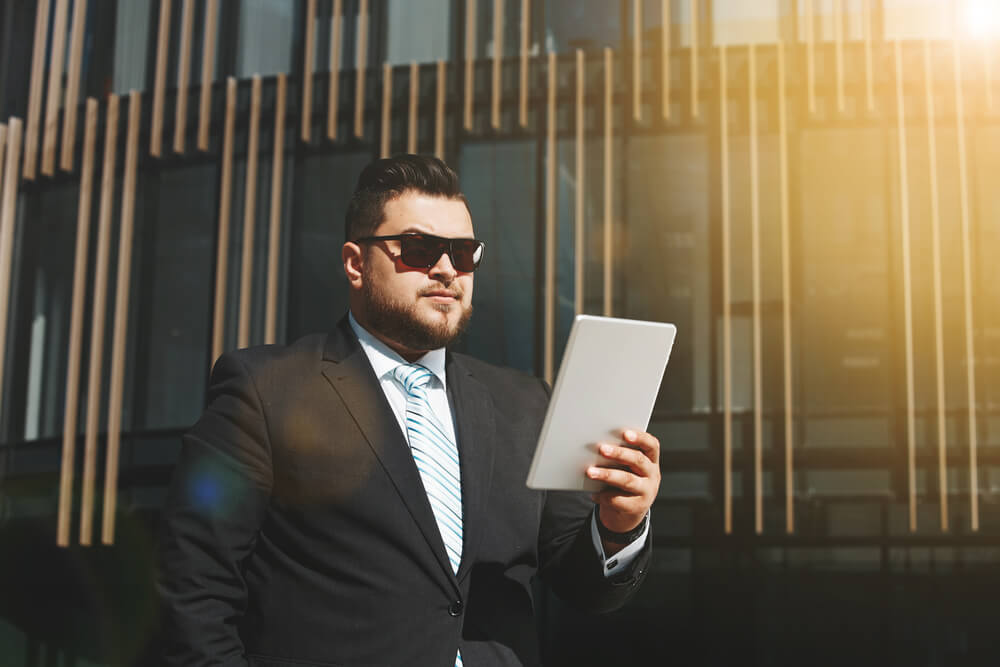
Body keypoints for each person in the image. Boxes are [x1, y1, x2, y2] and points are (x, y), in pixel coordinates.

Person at [158, 154, 661, 667]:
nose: (446, 270)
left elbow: (586, 587)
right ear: (356, 263)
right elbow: (193, 585)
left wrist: (621, 525)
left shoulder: (526, 404)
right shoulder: (264, 389)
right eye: (420, 250)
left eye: (463, 254)